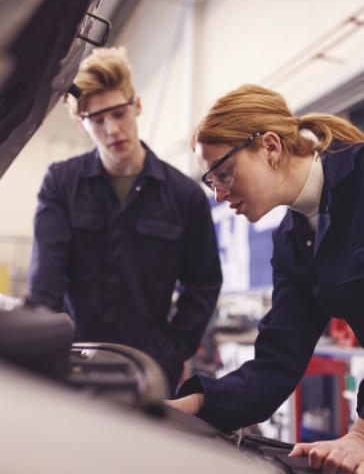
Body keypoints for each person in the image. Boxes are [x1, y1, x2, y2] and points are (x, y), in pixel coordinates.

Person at [167, 84, 364, 473]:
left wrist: (360, 435)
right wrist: (185, 409)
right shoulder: (293, 242)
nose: (220, 194)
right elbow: (277, 363)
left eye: (224, 173)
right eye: (211, 182)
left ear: (270, 147)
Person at [27, 46, 222, 394]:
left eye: (118, 113)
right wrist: (43, 353)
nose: (112, 128)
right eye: (97, 120)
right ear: (80, 122)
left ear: (137, 106)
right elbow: (46, 285)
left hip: (148, 369)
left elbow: (204, 284)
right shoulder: (60, 184)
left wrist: (171, 353)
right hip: (72, 364)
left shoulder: (185, 196)